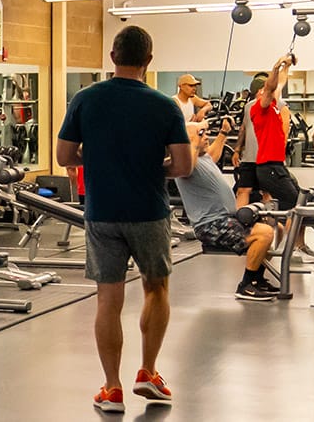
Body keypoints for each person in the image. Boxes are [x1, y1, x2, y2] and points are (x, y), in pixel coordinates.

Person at [56, 25, 191, 413]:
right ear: (148, 61)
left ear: (113, 57)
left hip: (103, 213)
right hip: (149, 213)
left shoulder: (85, 99)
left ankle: (112, 389)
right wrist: (150, 168)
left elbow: (66, 156)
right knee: (156, 289)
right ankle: (148, 372)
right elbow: (182, 166)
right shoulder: (165, 105)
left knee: (108, 299)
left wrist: (100, 163)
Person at [176, 120, 279, 301]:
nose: (206, 136)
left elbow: (214, 154)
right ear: (189, 140)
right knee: (264, 234)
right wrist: (192, 140)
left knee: (276, 226)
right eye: (201, 134)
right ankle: (246, 285)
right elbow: (187, 168)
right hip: (210, 225)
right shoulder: (185, 162)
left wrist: (223, 133)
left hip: (226, 218)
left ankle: (257, 279)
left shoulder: (203, 156)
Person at [251, 54, 311, 255]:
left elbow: (279, 84)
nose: (272, 90)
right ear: (259, 92)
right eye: (266, 89)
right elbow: (271, 86)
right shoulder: (260, 109)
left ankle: (298, 245)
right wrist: (275, 66)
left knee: (303, 200)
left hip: (277, 166)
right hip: (268, 168)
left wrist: (286, 66)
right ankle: (287, 250)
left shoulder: (275, 105)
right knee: (295, 205)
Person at [233, 73, 279, 208]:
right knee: (242, 191)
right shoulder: (248, 106)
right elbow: (244, 128)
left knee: (267, 193)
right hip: (249, 158)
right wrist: (237, 150)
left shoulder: (278, 105)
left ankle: (270, 225)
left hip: (267, 159)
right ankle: (238, 224)